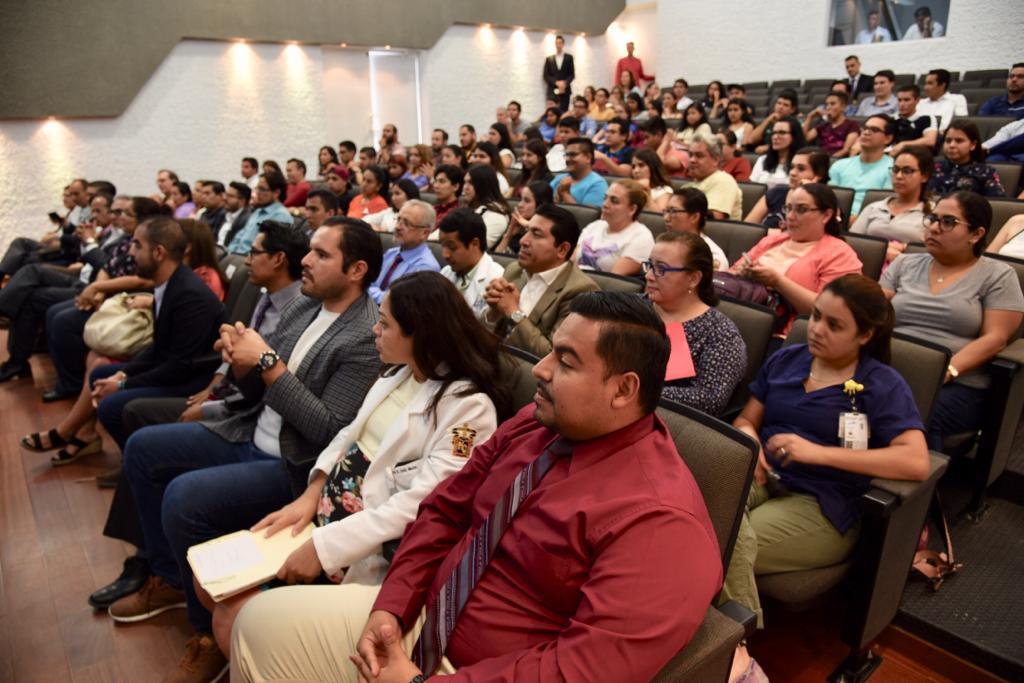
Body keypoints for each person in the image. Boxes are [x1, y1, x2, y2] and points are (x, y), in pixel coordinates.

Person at [231, 291, 722, 683]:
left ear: (623, 390)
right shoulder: (534, 424)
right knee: (254, 626)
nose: (540, 369)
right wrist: (393, 606)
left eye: (566, 362)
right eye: (551, 349)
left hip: (482, 669)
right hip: (422, 615)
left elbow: (583, 670)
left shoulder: (660, 521)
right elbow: (443, 511)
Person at [101, 217, 385, 682]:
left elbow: (326, 428)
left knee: (182, 499)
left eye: (321, 255)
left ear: (356, 270)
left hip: (291, 464)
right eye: (308, 251)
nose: (306, 261)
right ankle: (172, 577)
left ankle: (208, 633)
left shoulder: (364, 334)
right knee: (143, 448)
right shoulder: (303, 306)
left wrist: (268, 365)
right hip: (249, 430)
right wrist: (239, 362)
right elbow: (256, 392)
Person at [723, 274, 929, 631]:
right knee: (705, 515)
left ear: (865, 335)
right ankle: (728, 644)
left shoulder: (881, 384)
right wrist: (750, 439)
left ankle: (731, 646)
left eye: (834, 325)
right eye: (816, 316)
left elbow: (915, 462)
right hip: (761, 475)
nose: (817, 329)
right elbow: (746, 419)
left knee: (720, 543)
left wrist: (818, 453)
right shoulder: (788, 360)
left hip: (824, 502)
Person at [19, 216, 225, 462]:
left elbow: (180, 366)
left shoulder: (189, 295)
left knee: (111, 406)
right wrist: (122, 375)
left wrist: (123, 385)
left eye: (137, 245)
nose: (130, 252)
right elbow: (158, 348)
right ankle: (92, 440)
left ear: (158, 252)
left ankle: (140, 464)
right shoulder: (170, 284)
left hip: (193, 382)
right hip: (175, 369)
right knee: (99, 375)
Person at [881, 191, 1024, 450]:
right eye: (933, 219)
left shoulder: (998, 276)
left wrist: (942, 372)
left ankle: (915, 487)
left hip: (958, 385)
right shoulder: (905, 264)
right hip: (893, 369)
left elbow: (995, 339)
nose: (934, 228)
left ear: (976, 234)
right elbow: (874, 311)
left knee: (918, 410)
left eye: (948, 222)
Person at [730, 184, 863, 337]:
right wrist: (742, 272)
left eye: (801, 209)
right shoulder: (772, 241)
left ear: (826, 215)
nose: (790, 216)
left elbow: (830, 310)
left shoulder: (840, 254)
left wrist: (777, 281)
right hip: (739, 319)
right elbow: (731, 274)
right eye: (788, 208)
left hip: (786, 335)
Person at [645, 231, 746, 417]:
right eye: (649, 266)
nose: (649, 276)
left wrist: (637, 391)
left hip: (667, 423)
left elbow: (709, 399)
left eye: (661, 269)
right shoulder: (633, 308)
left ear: (693, 278)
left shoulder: (719, 333)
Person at [482, 204, 598, 356]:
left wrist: (513, 312)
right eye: (526, 231)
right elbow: (486, 334)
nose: (523, 241)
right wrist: (493, 313)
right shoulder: (514, 270)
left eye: (536, 234)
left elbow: (553, 355)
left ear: (562, 249)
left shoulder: (580, 291)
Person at [851, 147, 933, 263]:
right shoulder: (874, 207)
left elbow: (937, 251)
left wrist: (904, 248)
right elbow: (852, 242)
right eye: (895, 169)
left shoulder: (933, 213)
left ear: (924, 176)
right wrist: (882, 250)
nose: (899, 176)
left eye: (907, 171)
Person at [575, 180, 654, 276]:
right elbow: (570, 264)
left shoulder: (641, 237)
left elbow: (614, 281)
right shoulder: (595, 226)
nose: (605, 204)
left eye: (614, 201)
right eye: (605, 198)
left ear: (632, 209)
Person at [436, 208, 507, 314]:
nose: (445, 255)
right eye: (443, 246)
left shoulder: (496, 278)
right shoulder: (446, 272)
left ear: (475, 244)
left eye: (452, 247)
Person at [369, 200, 440, 304]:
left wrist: (366, 290)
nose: (397, 227)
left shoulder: (426, 267)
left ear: (424, 233)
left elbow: (396, 302)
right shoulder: (391, 253)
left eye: (406, 224)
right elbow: (369, 281)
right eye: (398, 220)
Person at [829, 114, 896, 214]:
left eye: (874, 130)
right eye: (865, 128)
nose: (866, 132)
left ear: (888, 138)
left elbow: (885, 207)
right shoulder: (839, 165)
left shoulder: (894, 169)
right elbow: (830, 200)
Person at [929, 120, 1006, 197]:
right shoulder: (932, 168)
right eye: (948, 141)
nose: (952, 145)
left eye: (959, 141)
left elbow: (997, 202)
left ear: (973, 145)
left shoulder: (985, 172)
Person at [227, 171, 293, 255]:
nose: (257, 193)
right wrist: (229, 255)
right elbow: (238, 238)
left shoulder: (281, 216)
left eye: (262, 189)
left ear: (276, 193)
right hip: (237, 258)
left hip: (251, 261)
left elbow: (269, 252)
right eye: (257, 188)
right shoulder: (258, 211)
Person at [663, 187, 728, 270]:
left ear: (695, 217)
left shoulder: (711, 256)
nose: (666, 218)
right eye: (666, 211)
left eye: (673, 211)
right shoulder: (664, 245)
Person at [683, 135, 743, 220]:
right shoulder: (687, 186)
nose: (692, 160)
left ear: (716, 160)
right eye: (690, 155)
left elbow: (712, 220)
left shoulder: (723, 180)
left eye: (699, 156)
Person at [495, 180, 552, 256]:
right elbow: (497, 258)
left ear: (540, 205)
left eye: (527, 201)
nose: (519, 205)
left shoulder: (549, 231)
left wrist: (529, 225)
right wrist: (509, 235)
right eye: (521, 199)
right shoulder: (516, 226)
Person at [550, 137, 609, 207]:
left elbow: (587, 216)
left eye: (573, 155)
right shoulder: (559, 179)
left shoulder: (597, 184)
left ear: (588, 157)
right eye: (567, 155)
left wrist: (565, 193)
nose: (568, 159)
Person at [750, 116, 806, 186]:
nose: (775, 137)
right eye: (774, 133)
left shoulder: (802, 164)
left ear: (794, 137)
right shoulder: (762, 160)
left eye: (782, 133)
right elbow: (754, 189)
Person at [803, 91, 861, 158]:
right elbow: (804, 139)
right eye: (827, 104)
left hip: (838, 161)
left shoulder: (852, 125)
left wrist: (829, 160)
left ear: (843, 107)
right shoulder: (823, 126)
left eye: (832, 104)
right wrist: (809, 117)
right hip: (821, 160)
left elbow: (846, 150)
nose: (828, 107)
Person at [889, 84, 939, 156]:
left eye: (906, 100)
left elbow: (930, 140)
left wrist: (904, 144)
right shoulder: (891, 119)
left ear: (917, 100)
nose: (902, 104)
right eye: (899, 100)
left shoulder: (926, 118)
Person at [543, 34, 574, 110]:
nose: (558, 45)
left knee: (564, 110)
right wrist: (556, 83)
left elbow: (572, 74)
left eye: (560, 43)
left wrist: (565, 83)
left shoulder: (569, 58)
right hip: (552, 90)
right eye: (556, 43)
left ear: (563, 44)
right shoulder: (549, 59)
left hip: (565, 90)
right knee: (552, 110)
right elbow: (546, 75)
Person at [431, 164, 464, 229]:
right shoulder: (433, 209)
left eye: (442, 181)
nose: (436, 186)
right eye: (435, 181)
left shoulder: (457, 215)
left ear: (455, 186)